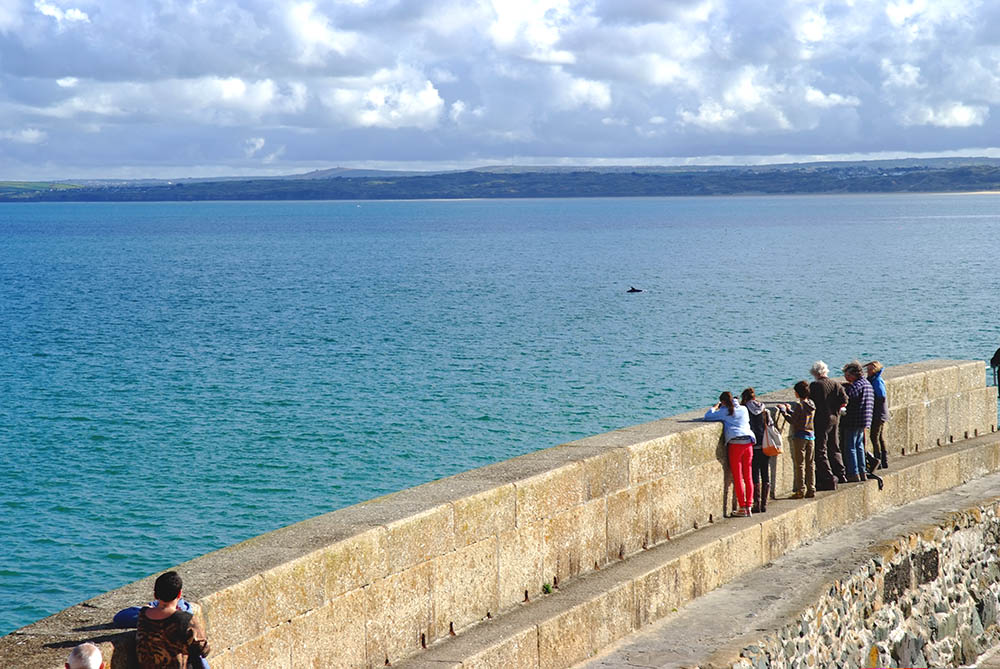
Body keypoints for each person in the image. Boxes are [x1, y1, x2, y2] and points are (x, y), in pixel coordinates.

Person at [136, 571, 210, 669]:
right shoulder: (185, 620)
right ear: (179, 594)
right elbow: (204, 649)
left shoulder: (143, 614)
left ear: (155, 595)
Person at [704, 391, 756, 517]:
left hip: (735, 445)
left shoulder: (725, 411)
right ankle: (749, 505)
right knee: (748, 476)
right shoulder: (743, 409)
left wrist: (715, 407)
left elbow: (708, 416)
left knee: (738, 477)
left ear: (723, 402)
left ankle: (742, 507)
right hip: (748, 443)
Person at [809, 360, 848, 490]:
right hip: (835, 418)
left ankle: (828, 477)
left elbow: (811, 403)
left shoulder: (815, 385)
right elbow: (844, 400)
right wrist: (835, 408)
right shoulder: (836, 384)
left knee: (821, 449)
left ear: (815, 373)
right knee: (834, 446)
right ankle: (841, 474)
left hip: (821, 420)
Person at [778, 381, 816, 498]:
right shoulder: (811, 404)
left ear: (798, 393)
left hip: (800, 436)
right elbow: (801, 416)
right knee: (810, 464)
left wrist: (784, 412)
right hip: (811, 436)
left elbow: (793, 421)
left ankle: (800, 490)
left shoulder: (799, 405)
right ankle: (811, 488)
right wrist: (790, 411)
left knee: (800, 464)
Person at [841, 360, 874, 482]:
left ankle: (853, 473)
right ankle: (862, 471)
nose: (846, 377)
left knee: (850, 446)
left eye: (847, 375)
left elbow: (848, 397)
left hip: (854, 420)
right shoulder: (866, 384)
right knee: (859, 446)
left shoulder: (857, 385)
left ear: (853, 374)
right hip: (865, 420)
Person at [741, 388, 771, 513]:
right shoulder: (764, 409)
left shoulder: (745, 410)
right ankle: (764, 504)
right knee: (765, 473)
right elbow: (770, 424)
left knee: (754, 474)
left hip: (753, 445)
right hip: (765, 444)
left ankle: (756, 504)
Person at [865, 360, 891, 469]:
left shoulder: (877, 381)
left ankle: (879, 460)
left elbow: (881, 397)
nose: (868, 371)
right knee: (879, 437)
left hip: (879, 414)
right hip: (880, 413)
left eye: (871, 369)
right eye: (868, 369)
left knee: (874, 437)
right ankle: (883, 460)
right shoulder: (873, 379)